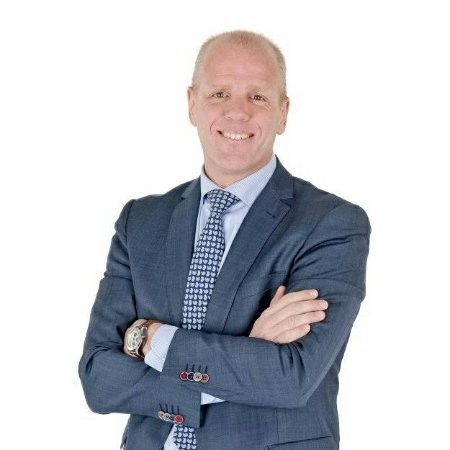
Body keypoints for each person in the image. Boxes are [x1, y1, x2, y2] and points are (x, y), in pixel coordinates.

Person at [79, 30, 371, 450]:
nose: (237, 112)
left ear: (283, 113)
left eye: (257, 96)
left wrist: (151, 338)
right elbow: (99, 379)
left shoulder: (331, 224)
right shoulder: (140, 221)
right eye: (219, 94)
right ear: (192, 104)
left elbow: (291, 377)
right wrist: (250, 353)